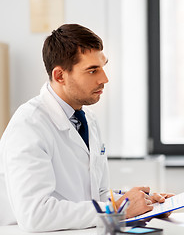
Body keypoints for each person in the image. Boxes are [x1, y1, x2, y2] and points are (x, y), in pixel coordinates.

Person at [0, 24, 171, 232]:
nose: (104, 79)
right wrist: (119, 208)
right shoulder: (28, 125)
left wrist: (141, 204)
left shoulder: (87, 118)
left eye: (103, 66)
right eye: (92, 70)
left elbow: (95, 194)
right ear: (60, 76)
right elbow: (36, 215)